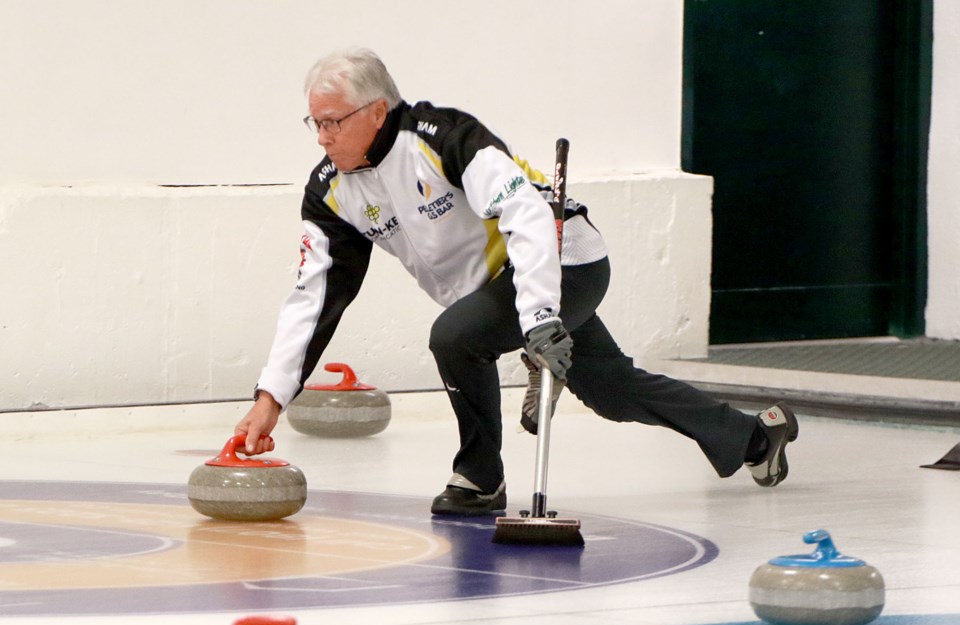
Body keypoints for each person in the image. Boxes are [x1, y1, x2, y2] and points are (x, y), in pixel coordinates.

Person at [233, 48, 799, 516]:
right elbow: (315, 295)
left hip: (564, 258)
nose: (321, 136)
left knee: (456, 337)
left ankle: (480, 478)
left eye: (333, 121)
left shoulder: (445, 138)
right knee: (610, 390)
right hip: (497, 290)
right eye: (315, 122)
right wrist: (271, 399)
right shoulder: (332, 189)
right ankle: (754, 436)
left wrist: (539, 317)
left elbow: (527, 216)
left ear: (377, 112)